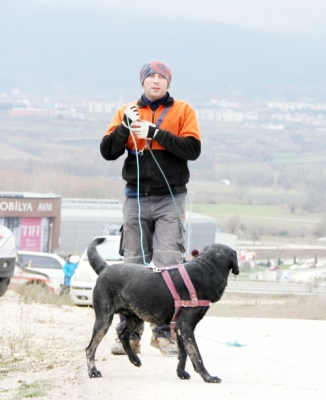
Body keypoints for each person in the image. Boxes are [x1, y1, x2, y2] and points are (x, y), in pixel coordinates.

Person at [100, 60, 201, 356]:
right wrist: (124, 127)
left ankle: (164, 334)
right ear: (142, 82)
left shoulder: (183, 111)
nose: (156, 82)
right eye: (151, 77)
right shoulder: (126, 111)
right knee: (132, 266)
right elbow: (108, 152)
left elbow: (192, 150)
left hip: (171, 199)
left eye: (161, 77)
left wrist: (155, 133)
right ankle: (130, 336)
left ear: (168, 82)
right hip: (135, 197)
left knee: (169, 264)